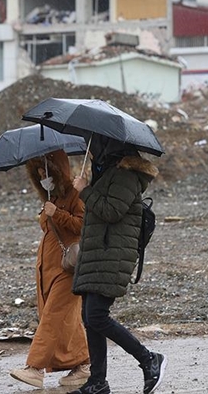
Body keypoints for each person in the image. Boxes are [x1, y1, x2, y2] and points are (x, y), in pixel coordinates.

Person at [67, 135, 167, 394]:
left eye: (97, 146)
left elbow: (111, 211)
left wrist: (84, 190)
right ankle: (98, 382)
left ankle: (149, 359)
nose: (93, 152)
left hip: (113, 255)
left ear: (109, 148)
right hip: (98, 254)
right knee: (90, 318)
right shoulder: (108, 172)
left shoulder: (126, 176)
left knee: (97, 316)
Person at [10, 150, 91, 389]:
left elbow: (82, 225)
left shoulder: (76, 194)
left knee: (53, 316)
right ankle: (83, 364)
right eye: (38, 173)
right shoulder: (51, 197)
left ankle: (34, 368)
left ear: (58, 170)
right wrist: (48, 213)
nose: (43, 176)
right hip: (48, 268)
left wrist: (58, 214)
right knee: (64, 318)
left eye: (46, 171)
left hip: (67, 267)